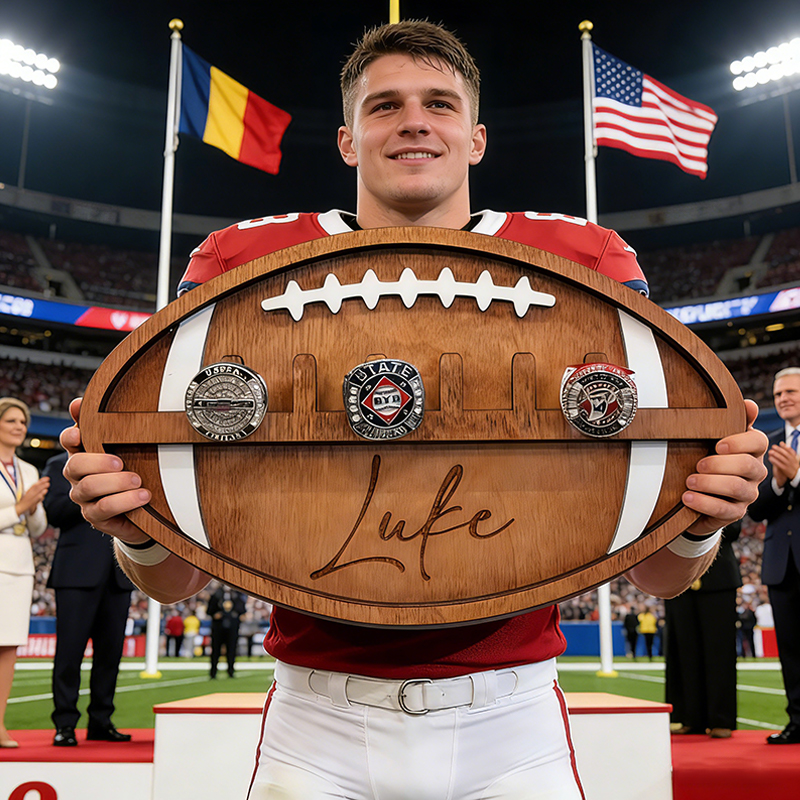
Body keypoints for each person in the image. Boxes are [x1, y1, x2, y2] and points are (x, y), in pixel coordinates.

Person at [61, 20, 769, 798]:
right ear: (345, 139)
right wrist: (137, 532)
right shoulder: (238, 262)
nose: (414, 121)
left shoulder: (587, 261)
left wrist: (703, 518)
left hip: (513, 716)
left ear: (476, 138)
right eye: (385, 105)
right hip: (315, 715)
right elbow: (176, 582)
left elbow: (663, 573)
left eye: (439, 102)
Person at [42, 450, 134, 746]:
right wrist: (90, 495)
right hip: (76, 573)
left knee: (111, 654)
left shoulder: (122, 462)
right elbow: (54, 512)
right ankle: (65, 723)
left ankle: (101, 721)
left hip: (119, 572)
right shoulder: (61, 464)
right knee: (69, 652)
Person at [748, 366, 800, 744]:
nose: (783, 398)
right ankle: (797, 722)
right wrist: (780, 483)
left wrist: (797, 477)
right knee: (791, 651)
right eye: (778, 393)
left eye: (791, 391)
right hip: (782, 562)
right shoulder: (768, 443)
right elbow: (756, 508)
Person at [0, 397, 49, 748]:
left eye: (22, 421)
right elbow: (19, 511)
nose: (19, 427)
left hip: (19, 565)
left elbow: (38, 527)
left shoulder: (29, 470)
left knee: (10, 648)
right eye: (11, 420)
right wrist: (20, 506)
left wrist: (31, 508)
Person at [665, 521, 742, 738]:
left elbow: (734, 529)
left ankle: (721, 719)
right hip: (678, 576)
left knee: (719, 650)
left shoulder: (725, 487)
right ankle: (690, 718)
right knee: (683, 649)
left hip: (718, 576)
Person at [208, 584, 247, 678]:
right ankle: (213, 672)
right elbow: (210, 610)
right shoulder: (216, 595)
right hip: (218, 627)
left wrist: (236, 615)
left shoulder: (236, 595)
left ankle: (231, 671)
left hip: (232, 627)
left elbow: (242, 610)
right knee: (216, 649)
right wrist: (216, 614)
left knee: (232, 649)